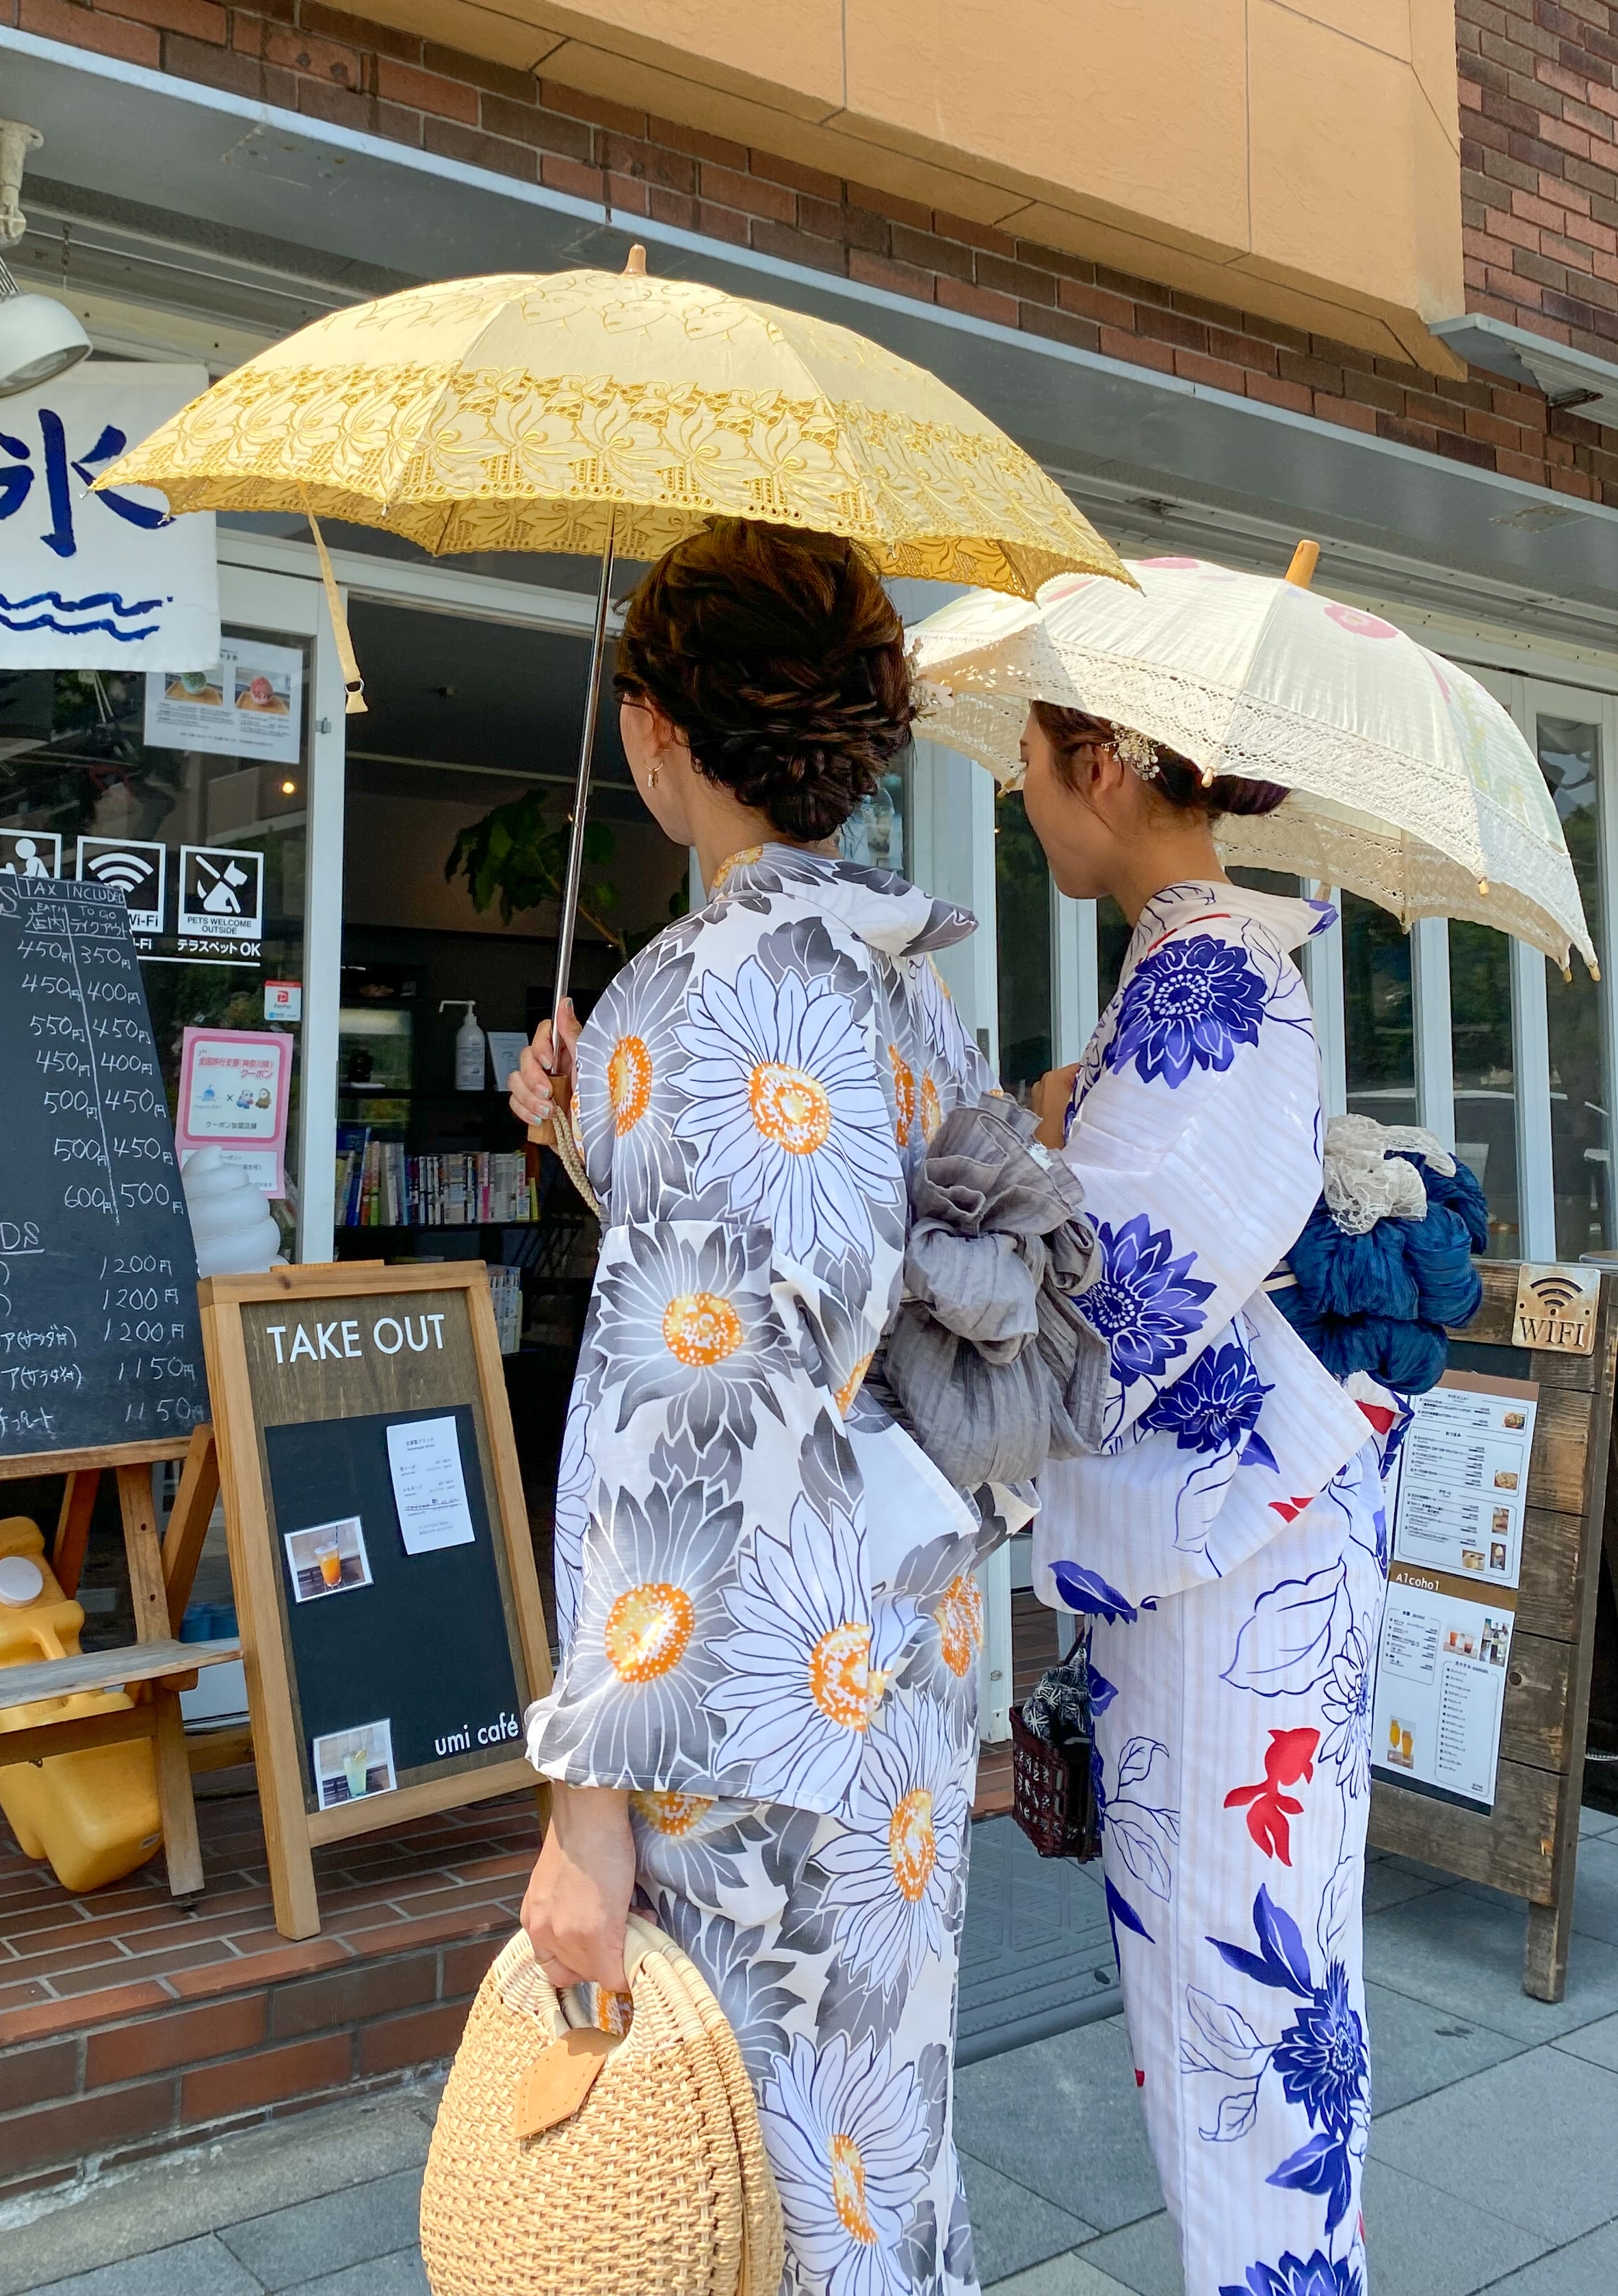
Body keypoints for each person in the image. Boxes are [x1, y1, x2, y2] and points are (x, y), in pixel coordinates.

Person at [508, 519, 997, 2296]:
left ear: (654, 735)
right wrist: (583, 1127)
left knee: (747, 2182)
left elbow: (687, 1411)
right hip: (894, 1661)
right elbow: (911, 1316)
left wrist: (585, 1806)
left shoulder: (696, 997)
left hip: (737, 1699)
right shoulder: (906, 989)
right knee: (872, 2141)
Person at [1018, 702, 1386, 2296]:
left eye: (1030, 767)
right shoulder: (1194, 965)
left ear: (1102, 767)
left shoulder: (1212, 975)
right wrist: (1059, 1124)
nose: (1024, 801)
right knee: (1238, 2003)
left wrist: (1006, 1164)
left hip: (1237, 1554)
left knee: (1241, 2013)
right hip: (1242, 1535)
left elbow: (1118, 1283)